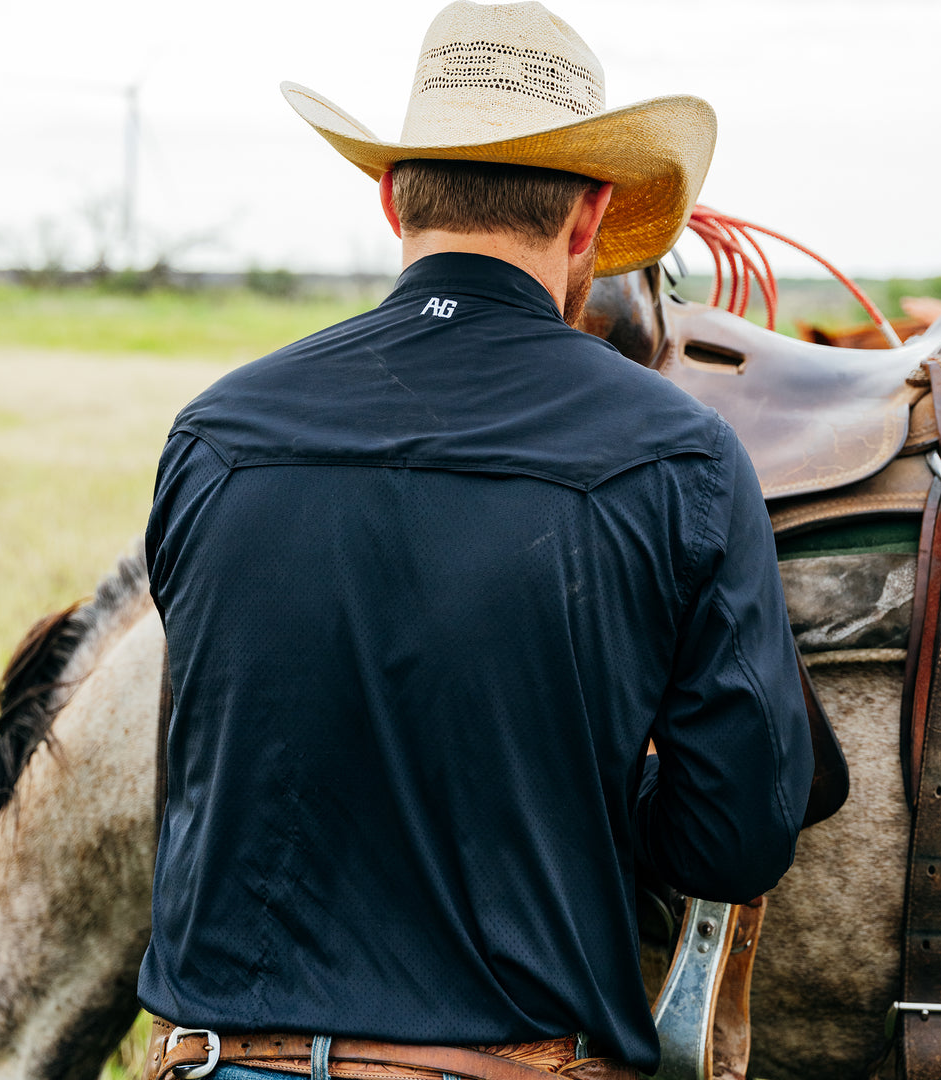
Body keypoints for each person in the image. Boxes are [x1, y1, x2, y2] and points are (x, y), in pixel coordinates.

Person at [139, 4, 814, 1080]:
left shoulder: (213, 437)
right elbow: (735, 840)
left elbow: (221, 746)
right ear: (591, 216)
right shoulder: (681, 456)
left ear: (390, 196)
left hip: (213, 1060)